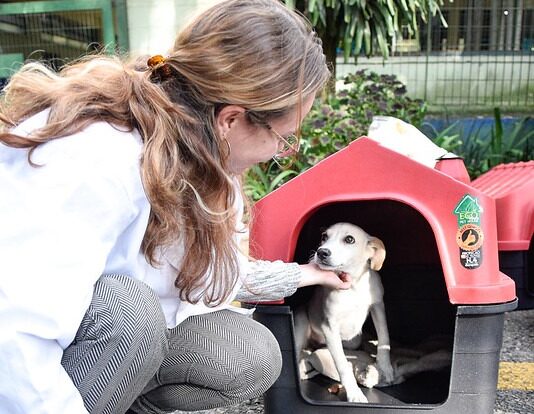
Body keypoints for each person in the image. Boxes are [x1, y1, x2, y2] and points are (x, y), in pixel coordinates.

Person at [0, 1, 351, 413]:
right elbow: (15, 334)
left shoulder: (205, 158)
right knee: (131, 314)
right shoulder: (97, 157)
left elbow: (212, 278)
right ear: (231, 119)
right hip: (25, 362)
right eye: (283, 137)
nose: (280, 151)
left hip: (104, 345)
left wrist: (306, 275)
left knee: (249, 353)